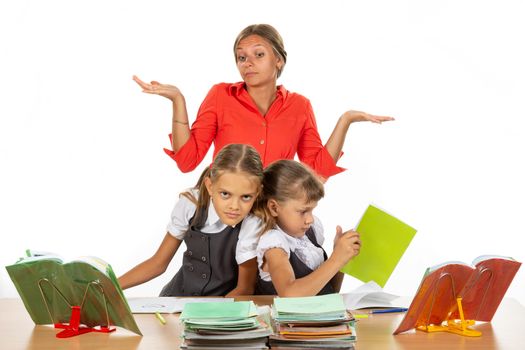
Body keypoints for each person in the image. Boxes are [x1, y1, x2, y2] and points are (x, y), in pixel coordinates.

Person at [133, 23, 394, 180]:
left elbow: (317, 173)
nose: (248, 63)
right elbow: (187, 161)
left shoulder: (300, 106)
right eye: (241, 57)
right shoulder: (220, 96)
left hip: (272, 212)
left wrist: (345, 120)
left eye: (258, 54)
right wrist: (177, 100)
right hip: (223, 212)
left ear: (278, 60)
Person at [118, 143, 264, 296]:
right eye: (225, 194)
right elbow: (158, 263)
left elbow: (244, 289)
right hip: (176, 300)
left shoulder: (252, 222)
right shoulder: (191, 204)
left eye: (246, 197)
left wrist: (210, 317)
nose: (235, 206)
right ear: (209, 186)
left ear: (258, 192)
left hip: (220, 308)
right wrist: (110, 287)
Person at [253, 159, 361, 296]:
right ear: (274, 208)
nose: (310, 219)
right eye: (303, 211)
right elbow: (289, 293)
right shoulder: (274, 244)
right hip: (288, 317)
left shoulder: (310, 233)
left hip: (320, 315)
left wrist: (341, 257)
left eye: (312, 210)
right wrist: (336, 259)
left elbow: (329, 290)